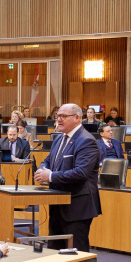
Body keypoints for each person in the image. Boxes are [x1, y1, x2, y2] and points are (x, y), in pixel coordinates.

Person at [35, 104, 101, 252]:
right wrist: (41, 169)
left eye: (63, 116)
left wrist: (50, 176)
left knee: (75, 254)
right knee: (54, 252)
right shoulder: (59, 139)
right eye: (57, 116)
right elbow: (48, 160)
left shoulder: (86, 140)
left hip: (77, 207)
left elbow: (81, 172)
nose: (59, 119)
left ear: (77, 118)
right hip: (57, 206)